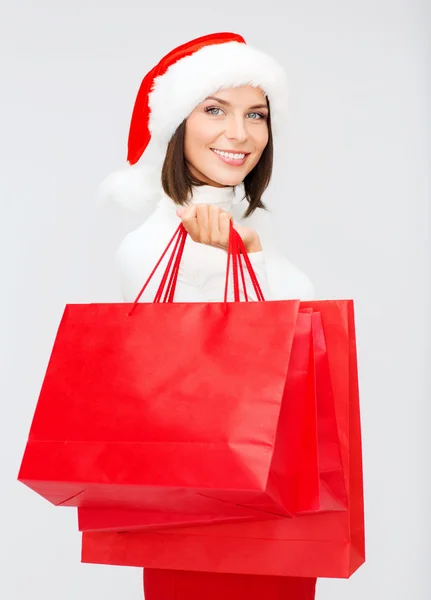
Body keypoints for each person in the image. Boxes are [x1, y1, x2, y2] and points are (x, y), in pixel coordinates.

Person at [102, 31, 317, 600]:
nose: (239, 134)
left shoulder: (253, 232)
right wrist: (206, 265)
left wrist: (247, 253)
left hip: (278, 495)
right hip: (197, 511)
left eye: (256, 114)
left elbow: (299, 345)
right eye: (215, 109)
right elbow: (177, 385)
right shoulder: (151, 243)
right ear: (176, 125)